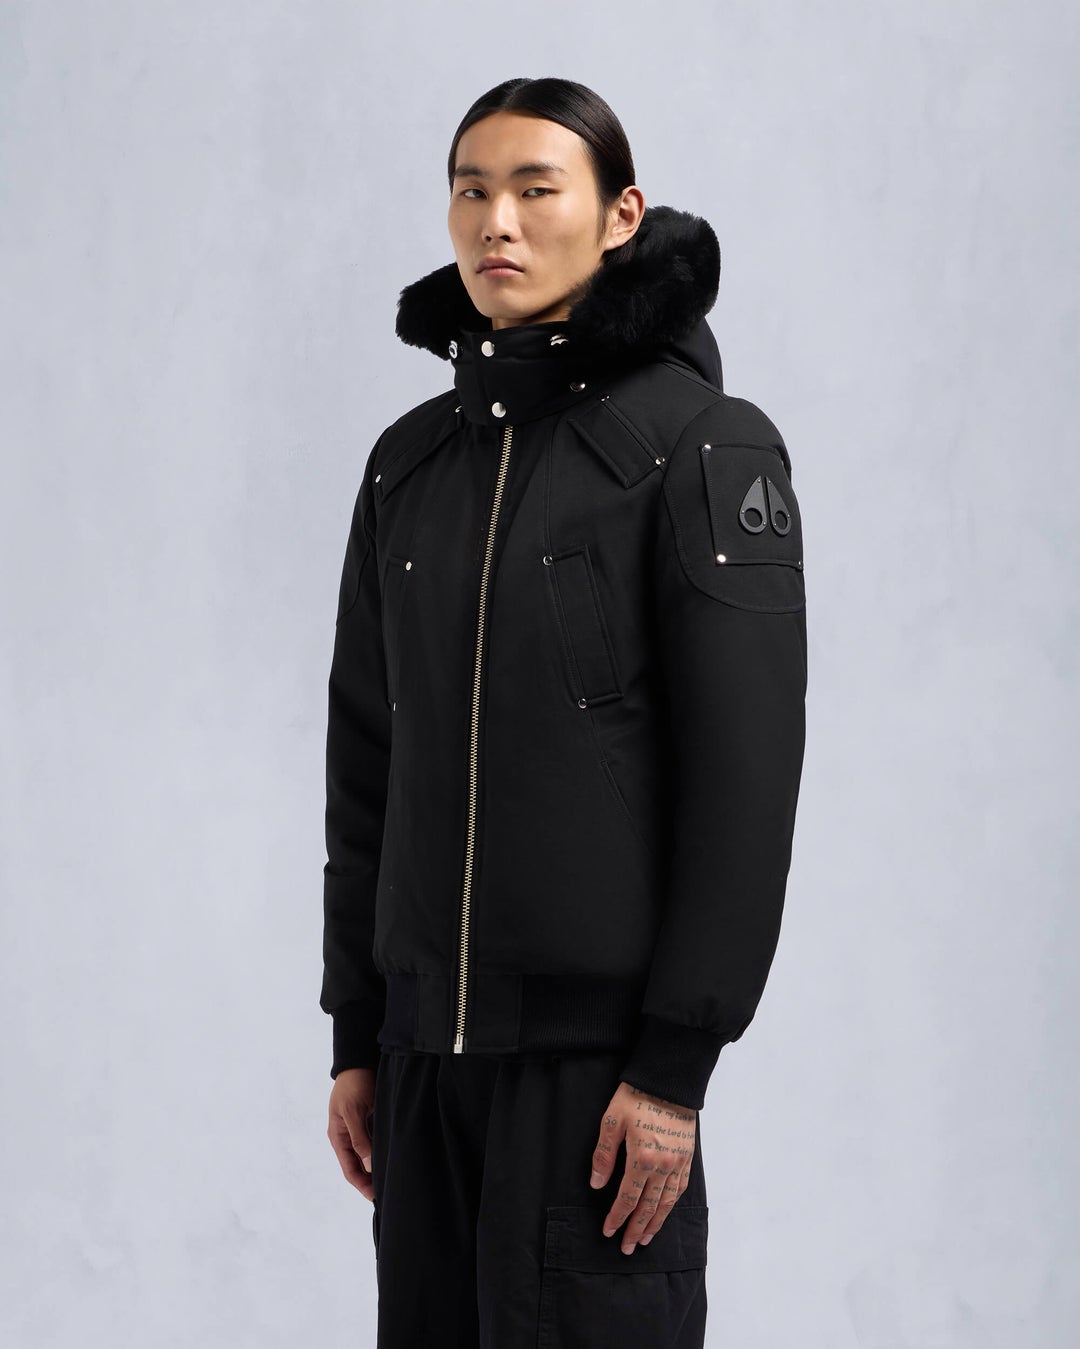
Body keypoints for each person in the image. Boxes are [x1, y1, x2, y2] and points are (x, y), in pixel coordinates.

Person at [320, 76, 808, 1348]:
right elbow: (369, 763)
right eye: (472, 190)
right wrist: (360, 1032)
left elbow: (745, 783)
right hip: (422, 1068)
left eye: (537, 188)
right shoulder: (408, 464)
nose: (498, 221)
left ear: (619, 215)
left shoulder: (701, 447)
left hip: (600, 1083)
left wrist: (673, 1068)